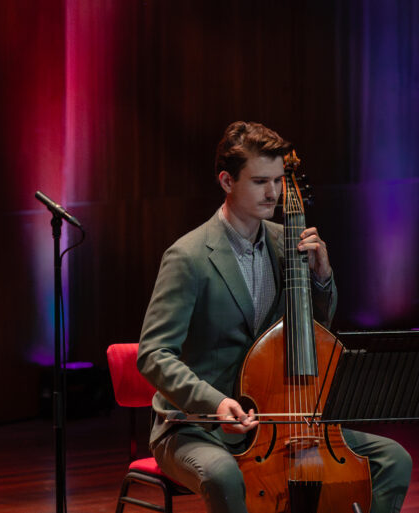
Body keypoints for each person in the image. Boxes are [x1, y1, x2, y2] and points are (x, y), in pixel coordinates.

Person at [137, 121, 411, 513]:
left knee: (393, 459)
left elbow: (314, 333)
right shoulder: (188, 257)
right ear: (227, 181)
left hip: (282, 422)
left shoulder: (287, 244)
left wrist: (322, 278)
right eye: (260, 181)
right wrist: (215, 403)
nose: (274, 192)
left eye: (280, 180)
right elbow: (154, 354)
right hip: (200, 428)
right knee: (224, 475)